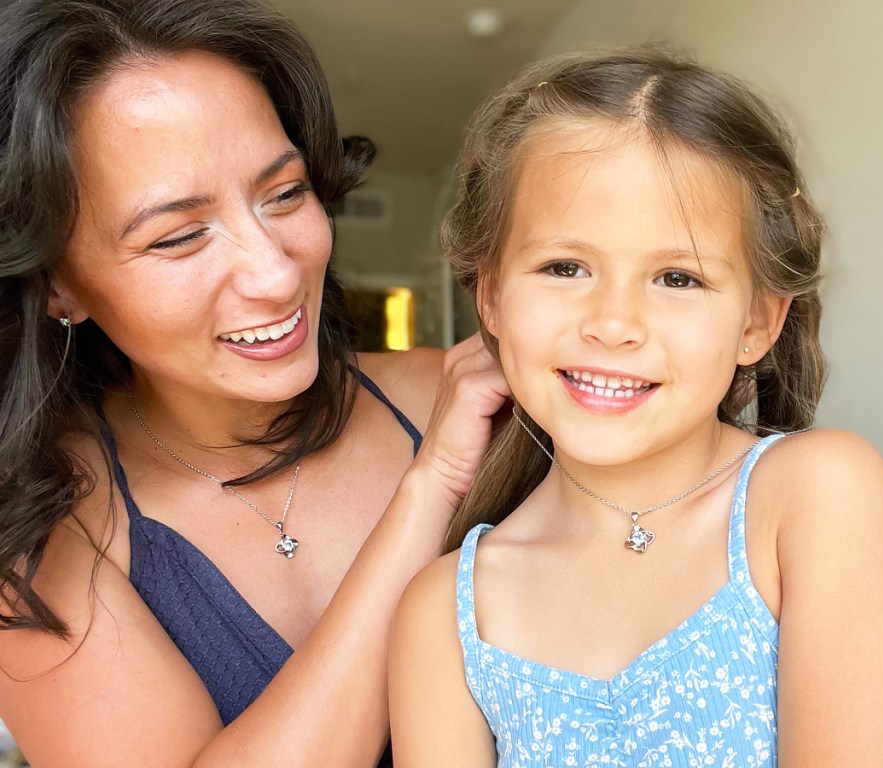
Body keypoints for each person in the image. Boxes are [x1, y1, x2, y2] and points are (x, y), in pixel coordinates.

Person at [0, 1, 508, 766]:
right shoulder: (43, 533)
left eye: (285, 193)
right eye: (177, 236)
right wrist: (428, 491)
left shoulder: (468, 398)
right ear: (57, 286)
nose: (276, 274)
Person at [389, 47, 883, 767]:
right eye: (564, 267)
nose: (613, 323)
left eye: (677, 277)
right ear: (490, 295)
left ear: (757, 324)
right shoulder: (446, 614)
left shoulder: (815, 496)